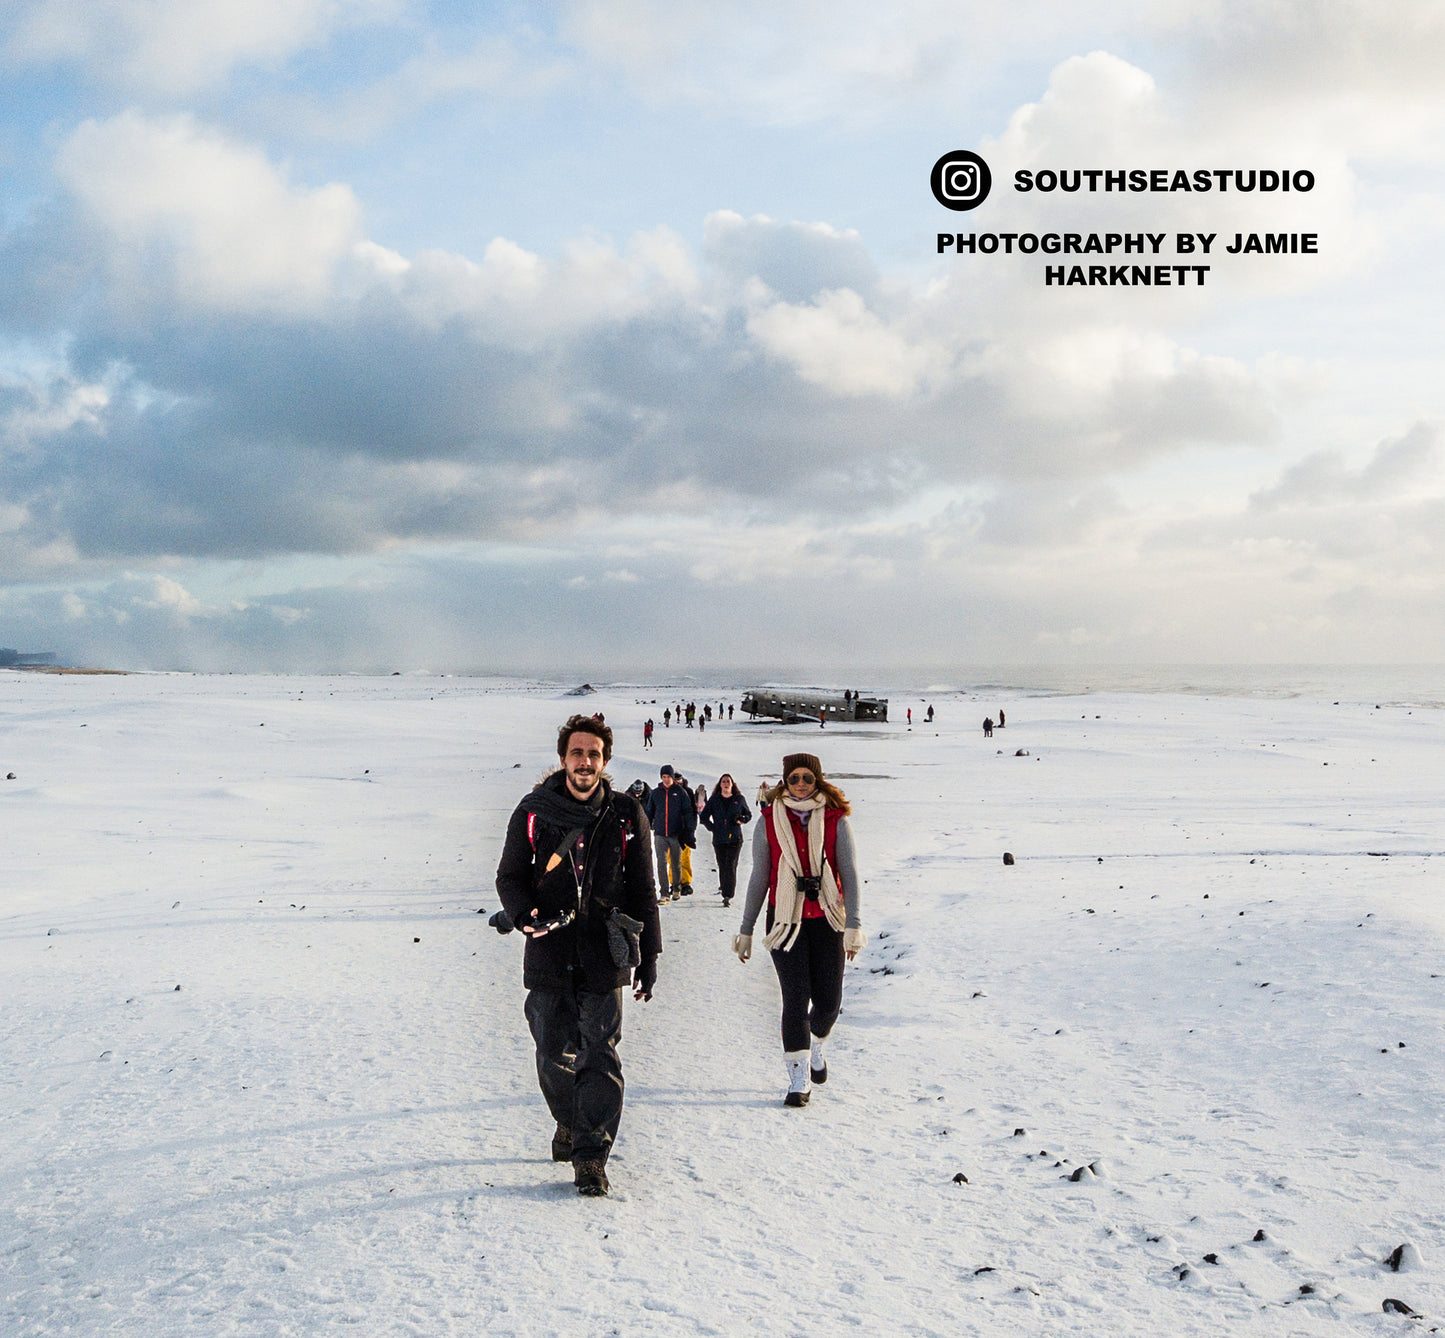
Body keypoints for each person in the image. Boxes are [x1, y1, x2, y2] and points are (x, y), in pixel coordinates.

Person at [494, 714, 661, 1197]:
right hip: (548, 949)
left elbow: (643, 890)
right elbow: (509, 876)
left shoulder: (627, 815)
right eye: (577, 753)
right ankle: (570, 1119)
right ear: (563, 758)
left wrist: (649, 956)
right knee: (551, 1054)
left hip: (605, 953)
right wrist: (524, 914)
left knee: (601, 1057)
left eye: (593, 754)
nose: (585, 762)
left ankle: (591, 1155)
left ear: (604, 760)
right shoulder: (534, 811)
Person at [733, 753, 864, 1107]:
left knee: (828, 1002)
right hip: (784, 921)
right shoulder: (768, 821)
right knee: (795, 998)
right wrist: (746, 930)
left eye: (807, 777)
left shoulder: (836, 820)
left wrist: (854, 924)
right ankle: (798, 1079)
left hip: (827, 919)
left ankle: (817, 1044)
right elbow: (760, 876)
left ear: (817, 780)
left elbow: (849, 875)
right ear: (784, 782)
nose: (801, 784)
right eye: (794, 778)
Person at [701, 774, 752, 906]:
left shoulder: (739, 799)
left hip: (735, 838)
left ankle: (728, 895)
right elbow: (704, 817)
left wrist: (742, 819)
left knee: (731, 865)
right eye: (723, 781)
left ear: (732, 784)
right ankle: (724, 889)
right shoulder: (714, 799)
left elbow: (748, 814)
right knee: (722, 865)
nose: (726, 784)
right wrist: (712, 827)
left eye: (728, 781)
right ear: (720, 784)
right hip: (719, 839)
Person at [646, 765, 688, 901]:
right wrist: (646, 826)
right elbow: (649, 812)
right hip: (659, 834)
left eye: (668, 777)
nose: (666, 779)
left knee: (675, 863)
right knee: (661, 863)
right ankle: (664, 892)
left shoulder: (680, 792)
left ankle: (676, 888)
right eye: (664, 777)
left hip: (676, 834)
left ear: (672, 777)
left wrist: (688, 830)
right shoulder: (656, 793)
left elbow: (688, 811)